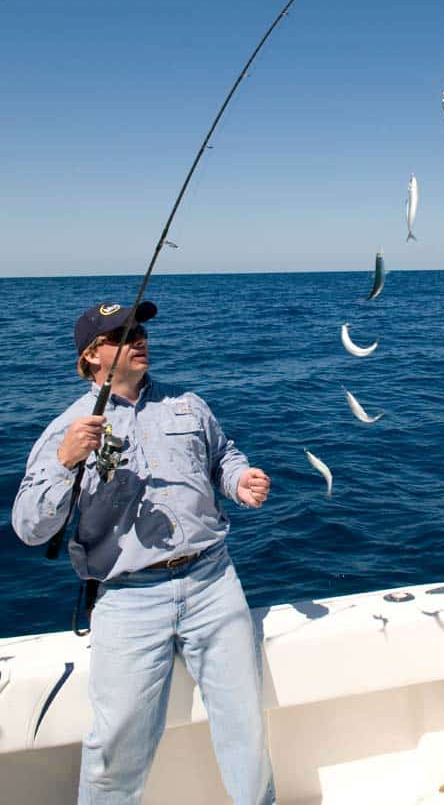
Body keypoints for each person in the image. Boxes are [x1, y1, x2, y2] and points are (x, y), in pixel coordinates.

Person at [12, 300, 274, 805]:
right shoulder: (67, 429)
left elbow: (223, 457)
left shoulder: (189, 404)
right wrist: (67, 461)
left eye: (140, 331)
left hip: (213, 583)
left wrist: (239, 480)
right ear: (92, 356)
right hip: (128, 599)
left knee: (246, 727)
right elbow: (28, 526)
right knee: (116, 747)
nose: (139, 340)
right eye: (122, 335)